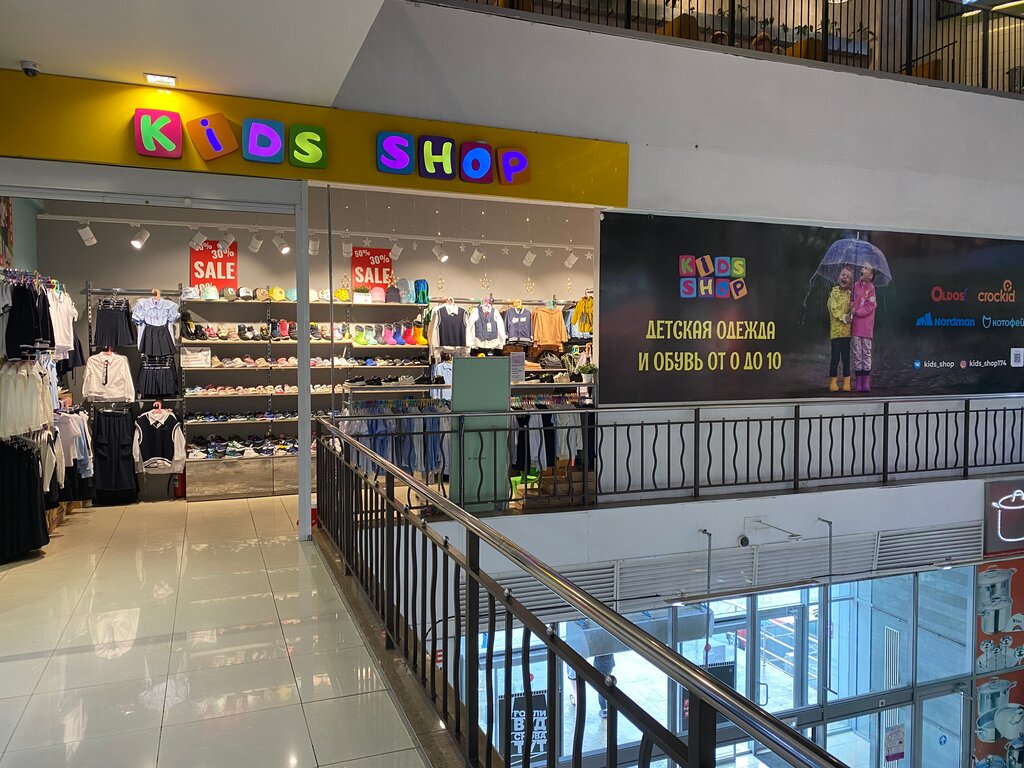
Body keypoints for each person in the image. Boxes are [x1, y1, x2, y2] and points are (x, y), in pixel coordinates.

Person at [827, 265, 854, 393]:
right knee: (835, 357)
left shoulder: (850, 295)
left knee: (846, 358)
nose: (845, 277)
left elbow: (851, 314)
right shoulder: (834, 293)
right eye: (843, 275)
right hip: (836, 333)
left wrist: (852, 309)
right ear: (838, 277)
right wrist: (844, 316)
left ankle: (847, 382)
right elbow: (834, 310)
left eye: (848, 277)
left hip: (846, 333)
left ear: (850, 282)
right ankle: (833, 381)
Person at [851, 264, 877, 392]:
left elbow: (870, 306)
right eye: (863, 267)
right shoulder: (854, 286)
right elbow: (852, 302)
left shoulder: (871, 289)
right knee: (857, 353)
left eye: (866, 268)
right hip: (856, 327)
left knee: (866, 353)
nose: (863, 268)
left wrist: (857, 312)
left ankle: (865, 382)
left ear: (870, 276)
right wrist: (851, 305)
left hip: (866, 328)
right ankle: (859, 382)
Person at [594, 653, 616, 718]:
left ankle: (604, 710)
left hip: (601, 663)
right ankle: (605, 709)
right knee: (606, 683)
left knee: (602, 686)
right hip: (609, 662)